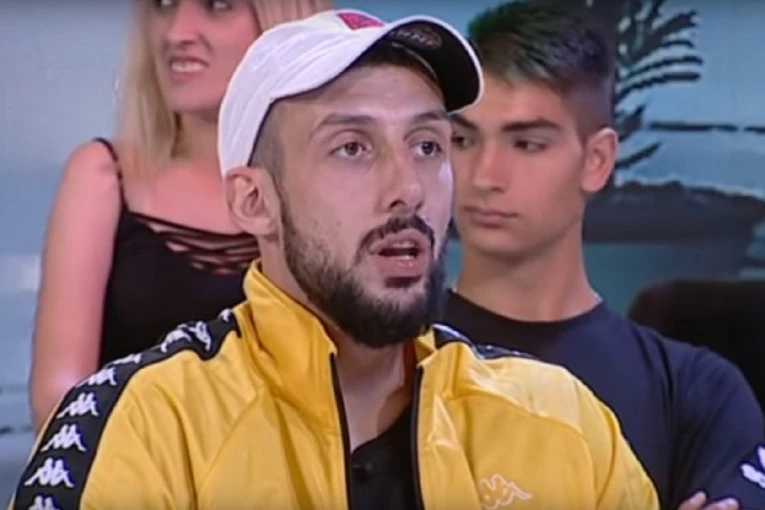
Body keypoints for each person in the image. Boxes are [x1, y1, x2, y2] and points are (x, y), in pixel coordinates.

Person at [10, 9, 659, 510]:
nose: (407, 187)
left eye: (428, 146)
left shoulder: (564, 424)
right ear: (255, 201)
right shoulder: (143, 427)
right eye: (352, 147)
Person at [442, 2, 765, 510]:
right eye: (463, 140)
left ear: (596, 161)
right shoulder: (383, 361)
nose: (484, 176)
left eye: (526, 144)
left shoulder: (694, 394)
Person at [30, 0, 333, 432]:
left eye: (217, 6)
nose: (176, 33)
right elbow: (59, 400)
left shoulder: (335, 186)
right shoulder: (102, 175)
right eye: (164, 5)